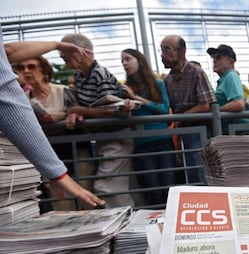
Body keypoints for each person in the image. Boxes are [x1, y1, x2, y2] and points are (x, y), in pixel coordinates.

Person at [1, 27, 105, 208]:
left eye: (31, 66)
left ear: (44, 71)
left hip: (74, 150)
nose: (26, 71)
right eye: (21, 67)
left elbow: (79, 110)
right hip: (48, 154)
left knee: (86, 200)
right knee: (63, 205)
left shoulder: (63, 91)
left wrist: (67, 115)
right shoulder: (23, 98)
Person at [61, 33, 134, 208]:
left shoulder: (100, 74)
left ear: (81, 52)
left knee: (106, 188)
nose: (63, 59)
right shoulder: (79, 76)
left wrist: (79, 110)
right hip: (102, 139)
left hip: (115, 138)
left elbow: (111, 112)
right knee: (119, 187)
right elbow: (84, 107)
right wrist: (76, 113)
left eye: (66, 54)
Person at [119, 48, 176, 206]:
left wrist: (135, 97)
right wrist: (124, 108)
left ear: (139, 60)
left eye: (128, 59)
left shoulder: (157, 83)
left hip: (163, 140)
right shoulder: (123, 89)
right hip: (142, 143)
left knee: (169, 184)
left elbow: (164, 109)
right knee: (152, 189)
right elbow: (121, 117)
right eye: (122, 60)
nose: (124, 63)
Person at [161, 35, 216, 184]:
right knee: (190, 175)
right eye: (161, 50)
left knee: (202, 173)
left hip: (199, 130)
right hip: (183, 133)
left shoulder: (195, 72)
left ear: (182, 51)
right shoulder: (168, 79)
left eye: (167, 50)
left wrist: (180, 117)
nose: (162, 55)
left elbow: (206, 105)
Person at [206, 44, 249, 135]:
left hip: (237, 133)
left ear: (231, 62)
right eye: (213, 58)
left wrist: (216, 112)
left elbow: (239, 104)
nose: (214, 60)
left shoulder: (231, 76)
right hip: (231, 131)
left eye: (218, 57)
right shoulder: (224, 79)